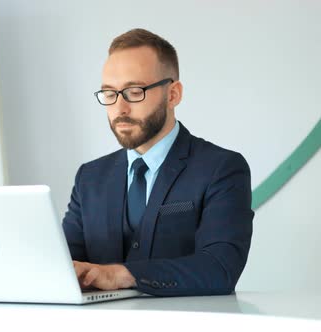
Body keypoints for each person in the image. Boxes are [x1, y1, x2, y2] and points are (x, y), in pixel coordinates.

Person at [62, 28, 254, 296]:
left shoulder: (221, 168)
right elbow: (62, 266)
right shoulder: (90, 178)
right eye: (109, 94)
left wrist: (121, 275)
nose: (120, 108)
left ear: (173, 94)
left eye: (134, 91)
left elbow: (220, 268)